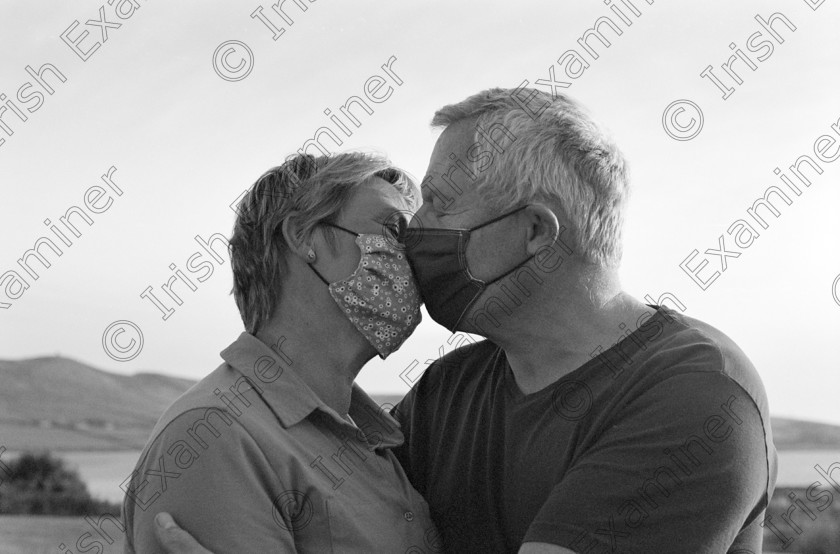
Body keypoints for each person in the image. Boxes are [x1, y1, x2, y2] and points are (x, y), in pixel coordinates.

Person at [153, 88, 778, 554]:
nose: (414, 238)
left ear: (533, 230)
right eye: (400, 221)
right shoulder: (444, 395)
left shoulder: (693, 393)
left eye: (439, 206)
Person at [122, 152, 440, 553]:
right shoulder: (217, 437)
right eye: (393, 230)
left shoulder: (375, 437)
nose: (410, 255)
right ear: (303, 237)